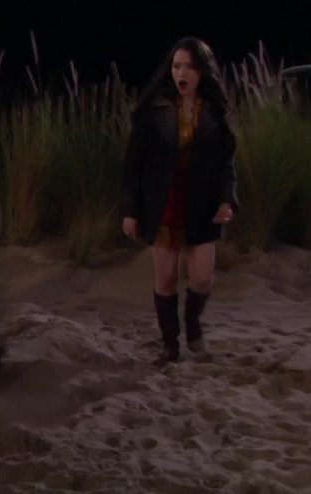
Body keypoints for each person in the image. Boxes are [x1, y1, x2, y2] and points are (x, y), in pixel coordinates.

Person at [121, 37, 239, 364]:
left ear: (202, 71)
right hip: (163, 201)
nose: (181, 73)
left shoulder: (214, 110)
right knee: (167, 276)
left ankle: (192, 323)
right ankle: (170, 345)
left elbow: (226, 164)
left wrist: (227, 199)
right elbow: (133, 164)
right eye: (176, 66)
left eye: (189, 66)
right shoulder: (154, 108)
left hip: (201, 202)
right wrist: (130, 211)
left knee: (201, 278)